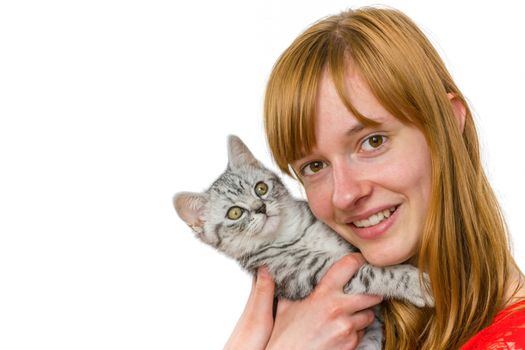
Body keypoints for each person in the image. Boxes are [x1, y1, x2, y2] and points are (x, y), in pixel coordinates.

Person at [224, 6, 525, 350]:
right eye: (314, 166)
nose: (344, 194)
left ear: (449, 123)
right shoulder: (317, 328)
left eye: (373, 142)